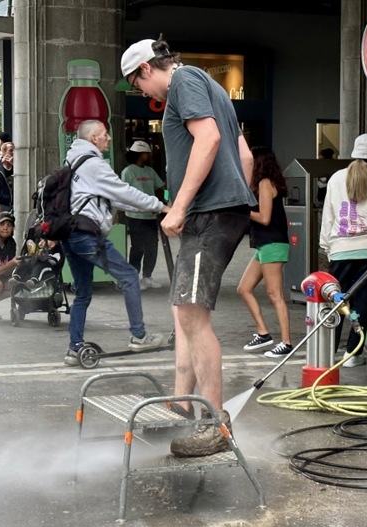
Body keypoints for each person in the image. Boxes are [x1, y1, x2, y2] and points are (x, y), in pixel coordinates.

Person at [122, 36, 257, 457]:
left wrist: (179, 207)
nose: (143, 95)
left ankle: (215, 424)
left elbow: (210, 139)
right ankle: (183, 403)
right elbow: (245, 156)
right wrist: (236, 195)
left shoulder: (185, 82)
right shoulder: (213, 89)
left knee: (192, 315)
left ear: (146, 69)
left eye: (137, 84)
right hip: (217, 210)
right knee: (185, 309)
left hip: (207, 213)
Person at [61, 119, 168, 366]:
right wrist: (160, 206)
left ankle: (74, 347)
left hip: (71, 234)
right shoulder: (94, 164)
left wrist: (149, 209)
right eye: (104, 134)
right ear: (93, 139)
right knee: (130, 276)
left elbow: (110, 199)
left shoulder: (73, 161)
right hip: (88, 235)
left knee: (83, 293)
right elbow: (123, 191)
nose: (108, 138)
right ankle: (139, 336)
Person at [319, 133, 367, 368]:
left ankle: (326, 350)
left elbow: (328, 216)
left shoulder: (336, 178)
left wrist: (326, 246)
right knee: (361, 303)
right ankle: (352, 353)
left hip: (340, 250)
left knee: (336, 302)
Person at [237, 146, 292, 357]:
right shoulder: (262, 183)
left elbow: (264, 218)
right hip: (264, 245)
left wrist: (243, 211)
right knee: (243, 288)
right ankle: (263, 333)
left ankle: (286, 342)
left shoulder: (265, 183)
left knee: (275, 295)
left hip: (272, 243)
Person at [121, 140, 166, 290]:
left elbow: (161, 187)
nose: (148, 156)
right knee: (138, 247)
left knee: (152, 246)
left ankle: (147, 277)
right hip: (135, 216)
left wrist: (162, 201)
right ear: (140, 155)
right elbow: (122, 194)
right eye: (146, 153)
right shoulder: (128, 172)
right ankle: (134, 277)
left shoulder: (150, 171)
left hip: (151, 216)